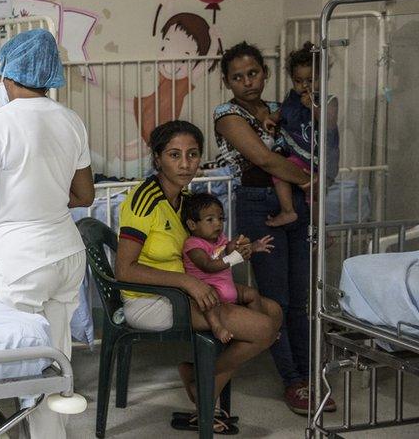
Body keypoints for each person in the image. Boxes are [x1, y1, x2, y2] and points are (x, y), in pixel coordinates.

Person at [0, 29, 95, 439]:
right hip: (66, 254)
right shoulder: (71, 121)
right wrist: (43, 194)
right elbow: (84, 194)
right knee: (55, 363)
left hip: (21, 261)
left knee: (17, 368)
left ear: (8, 73)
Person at [116, 120, 281, 434]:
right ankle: (204, 388)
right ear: (157, 159)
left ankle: (200, 381)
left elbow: (201, 250)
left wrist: (232, 248)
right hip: (149, 300)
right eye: (174, 155)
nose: (185, 163)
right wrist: (188, 282)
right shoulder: (143, 201)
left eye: (192, 155)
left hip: (183, 292)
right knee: (264, 329)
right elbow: (125, 270)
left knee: (273, 310)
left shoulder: (185, 200)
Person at [212, 41, 334, 415]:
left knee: (301, 298)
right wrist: (308, 181)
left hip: (295, 203)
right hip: (257, 205)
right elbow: (263, 158)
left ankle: (313, 377)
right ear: (228, 83)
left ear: (265, 73)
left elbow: (317, 134)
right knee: (276, 300)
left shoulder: (283, 109)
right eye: (237, 77)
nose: (247, 82)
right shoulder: (227, 114)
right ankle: (293, 380)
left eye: (253, 73)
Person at [264, 42, 340, 226]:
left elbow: (328, 122)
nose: (304, 86)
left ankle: (301, 218)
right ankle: (300, 218)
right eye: (298, 81)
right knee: (290, 180)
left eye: (310, 80)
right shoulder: (293, 98)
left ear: (323, 77)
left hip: (318, 157)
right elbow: (283, 111)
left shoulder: (329, 100)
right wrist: (270, 118)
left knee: (311, 192)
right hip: (298, 155)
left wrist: (312, 106)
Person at [180, 193, 274, 343]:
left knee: (252, 293)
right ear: (192, 225)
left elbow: (231, 249)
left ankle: (260, 324)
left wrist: (250, 246)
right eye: (210, 220)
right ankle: (217, 327)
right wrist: (234, 258)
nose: (217, 224)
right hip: (210, 289)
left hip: (227, 286)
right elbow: (207, 266)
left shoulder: (220, 239)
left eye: (220, 219)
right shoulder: (193, 245)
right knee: (209, 303)